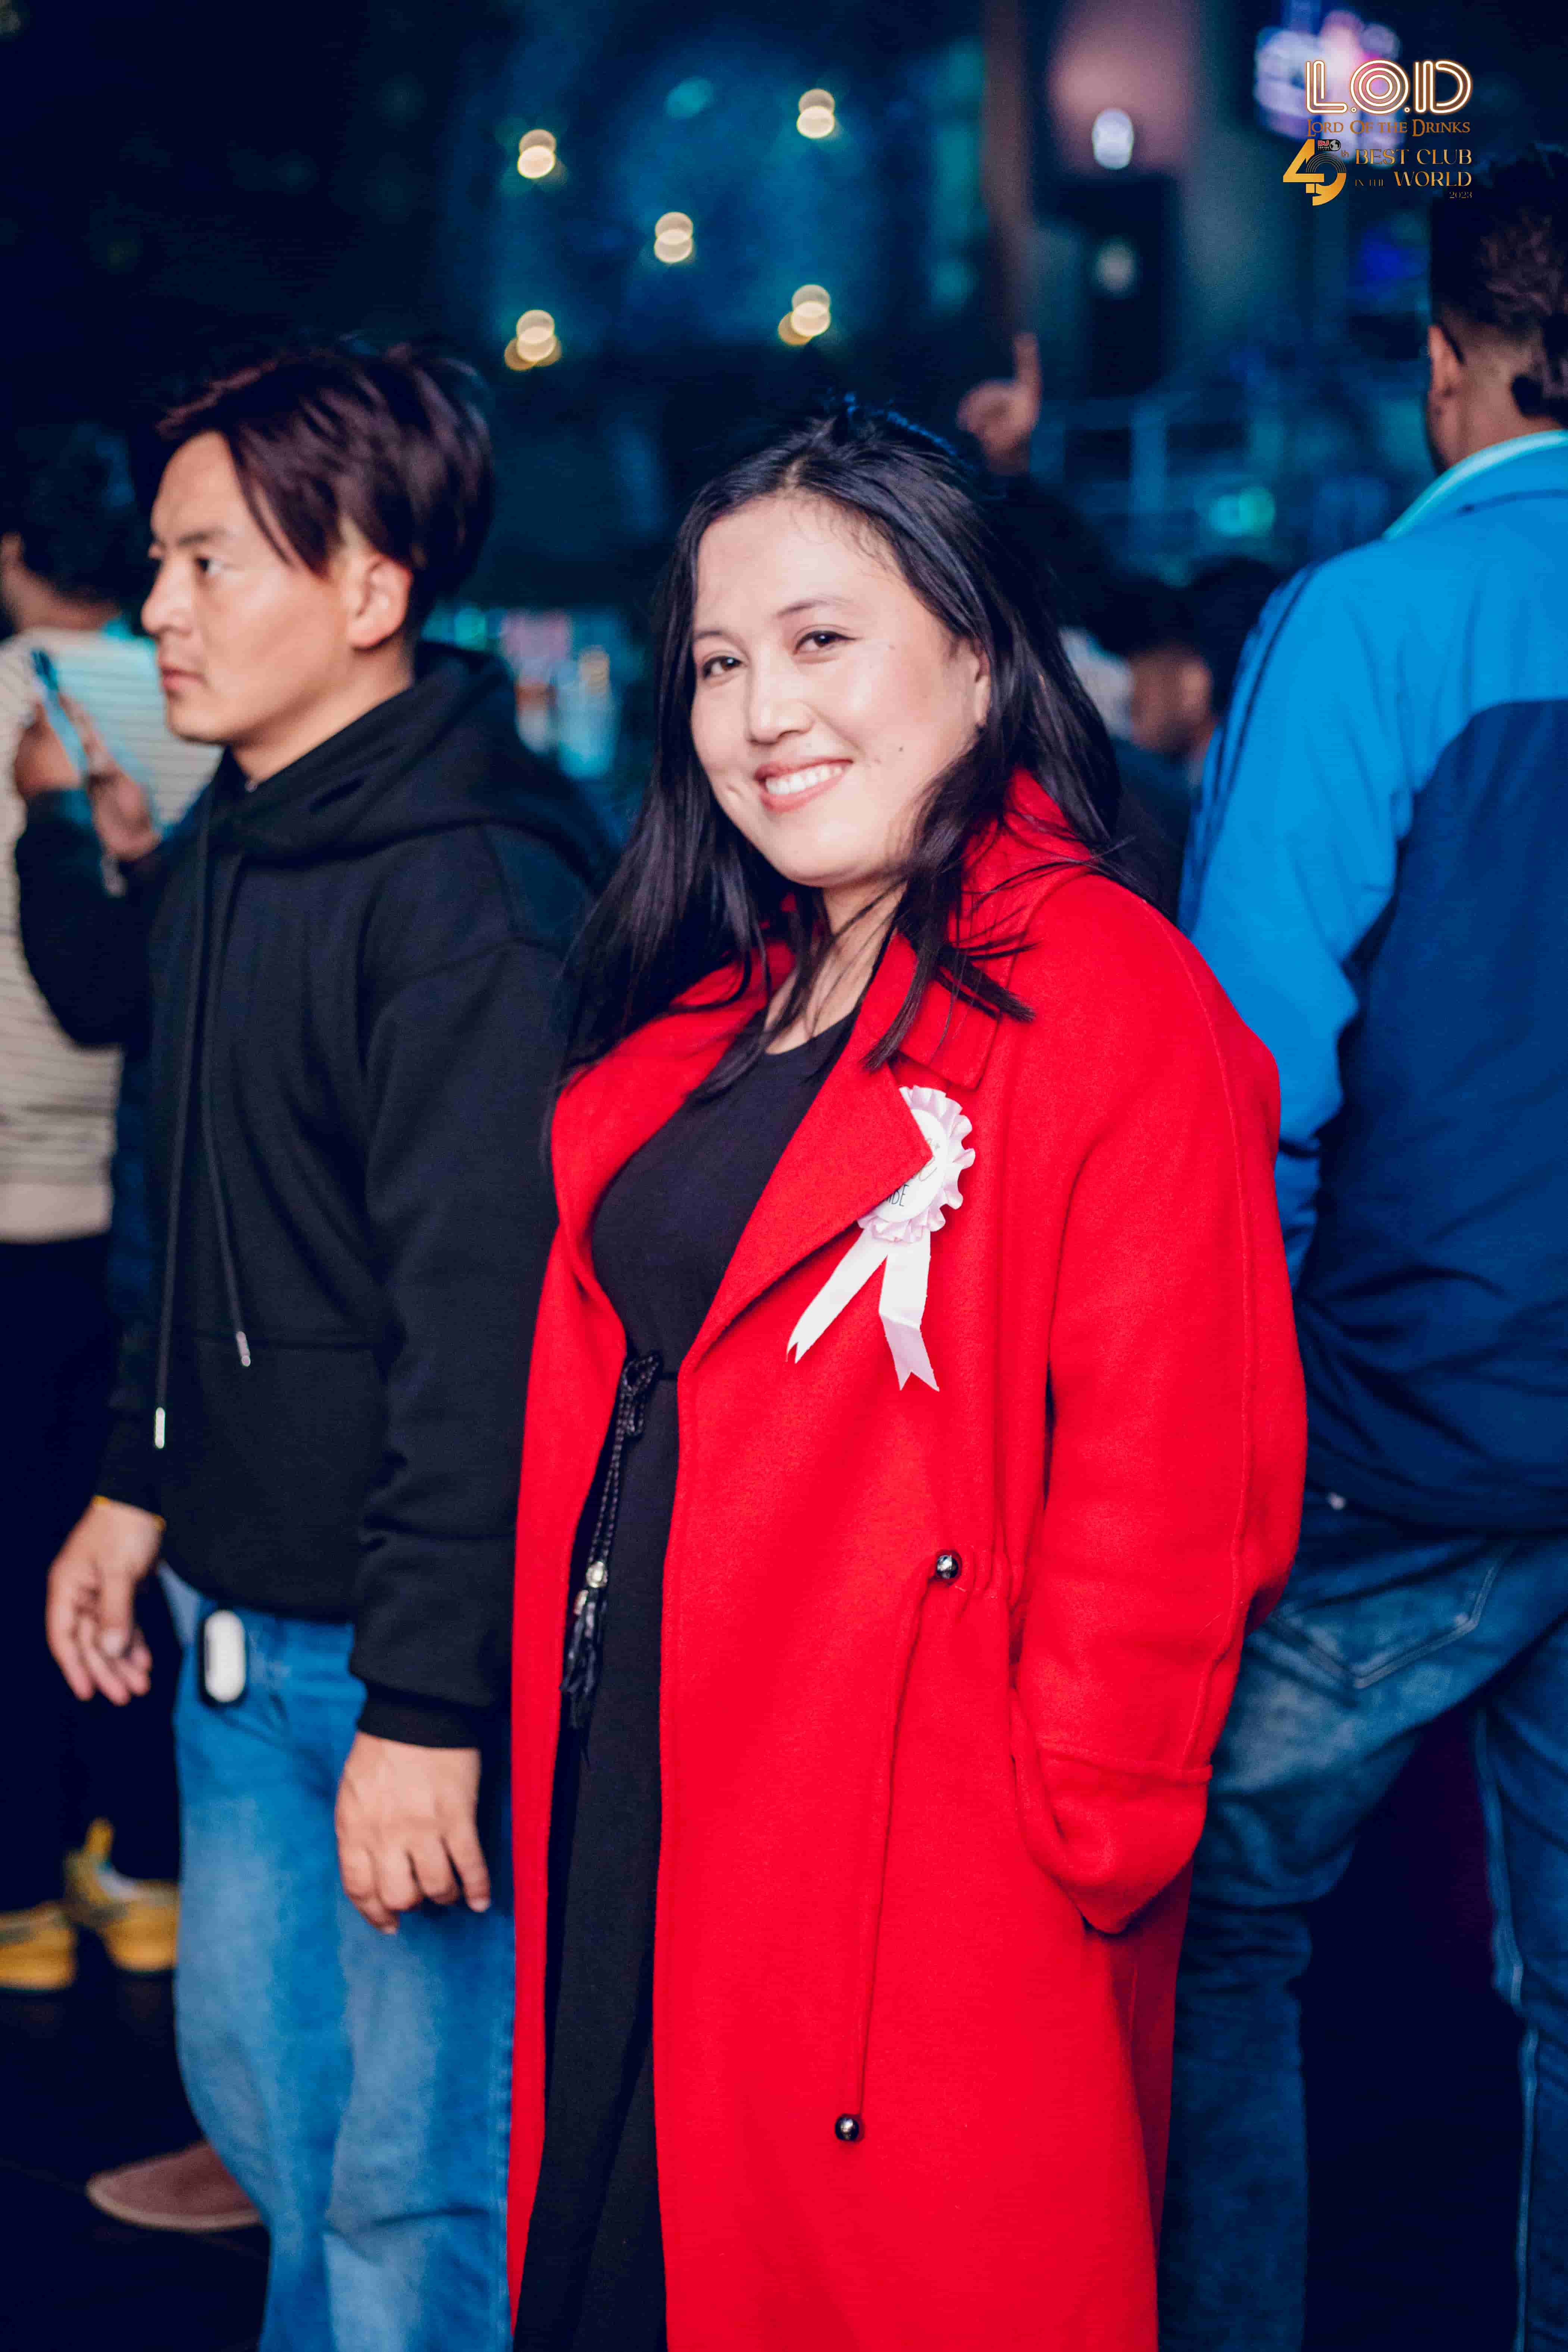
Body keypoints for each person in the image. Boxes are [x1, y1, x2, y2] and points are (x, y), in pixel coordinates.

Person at [505, 402, 1304, 2351]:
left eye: (819, 640)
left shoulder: (1098, 991)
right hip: (643, 1805)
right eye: (717, 662)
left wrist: (1072, 1843)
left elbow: (1178, 1468)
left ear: (977, 655)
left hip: (907, 1867)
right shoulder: (717, 1005)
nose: (759, 710)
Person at [26, 342, 605, 2350]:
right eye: (159, 562)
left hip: (394, 1655)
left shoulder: (471, 894)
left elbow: (484, 1336)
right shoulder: (234, 836)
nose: (159, 610)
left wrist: (431, 1703)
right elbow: (184, 1199)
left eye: (206, 563)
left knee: (405, 2190)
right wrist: (133, 1478)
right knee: (277, 2123)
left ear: (369, 586)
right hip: (231, 1617)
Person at [1161, 149, 1568, 2351]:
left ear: (1443, 368)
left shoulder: (1368, 622)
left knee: (1201, 1918)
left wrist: (1231, 1429)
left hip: (1401, 1444)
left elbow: (1242, 1078)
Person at [0, 425, 213, 1998]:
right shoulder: (206, 700)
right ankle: (140, 1869)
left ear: (14, 553)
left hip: (7, 1209)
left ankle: (18, 1900)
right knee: (130, 1535)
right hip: (147, 1218)